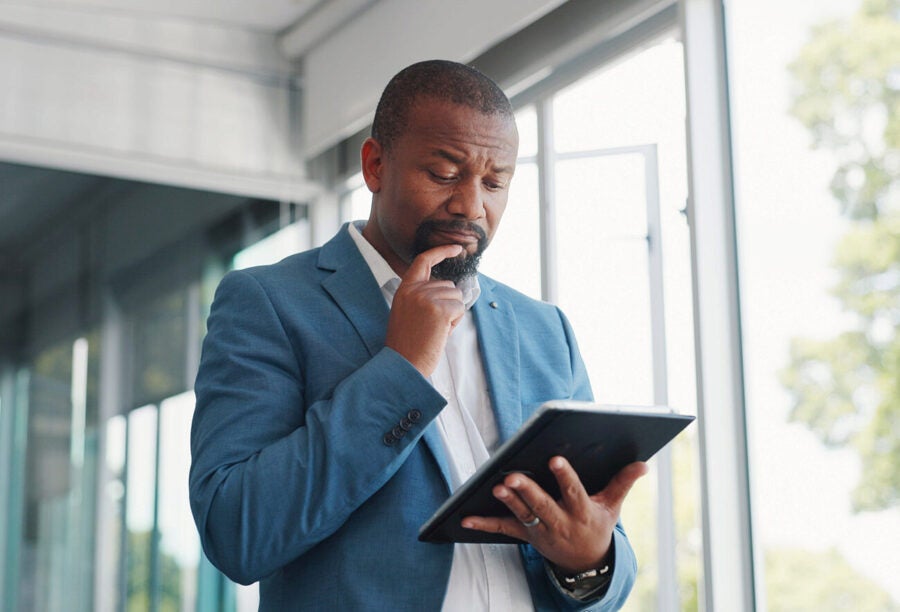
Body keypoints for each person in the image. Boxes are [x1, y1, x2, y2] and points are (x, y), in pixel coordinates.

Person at [189, 59, 647, 611]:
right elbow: (237, 532)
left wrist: (588, 559)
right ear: (376, 164)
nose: (472, 206)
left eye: (495, 182)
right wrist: (401, 368)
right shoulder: (270, 303)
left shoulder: (545, 330)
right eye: (446, 173)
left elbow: (600, 547)